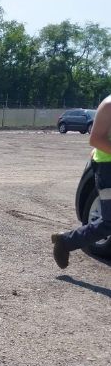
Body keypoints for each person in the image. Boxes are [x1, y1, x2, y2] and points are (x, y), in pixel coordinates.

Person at [52, 95, 111, 268]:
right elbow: (95, 139)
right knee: (109, 222)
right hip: (108, 168)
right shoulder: (108, 106)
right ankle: (66, 242)